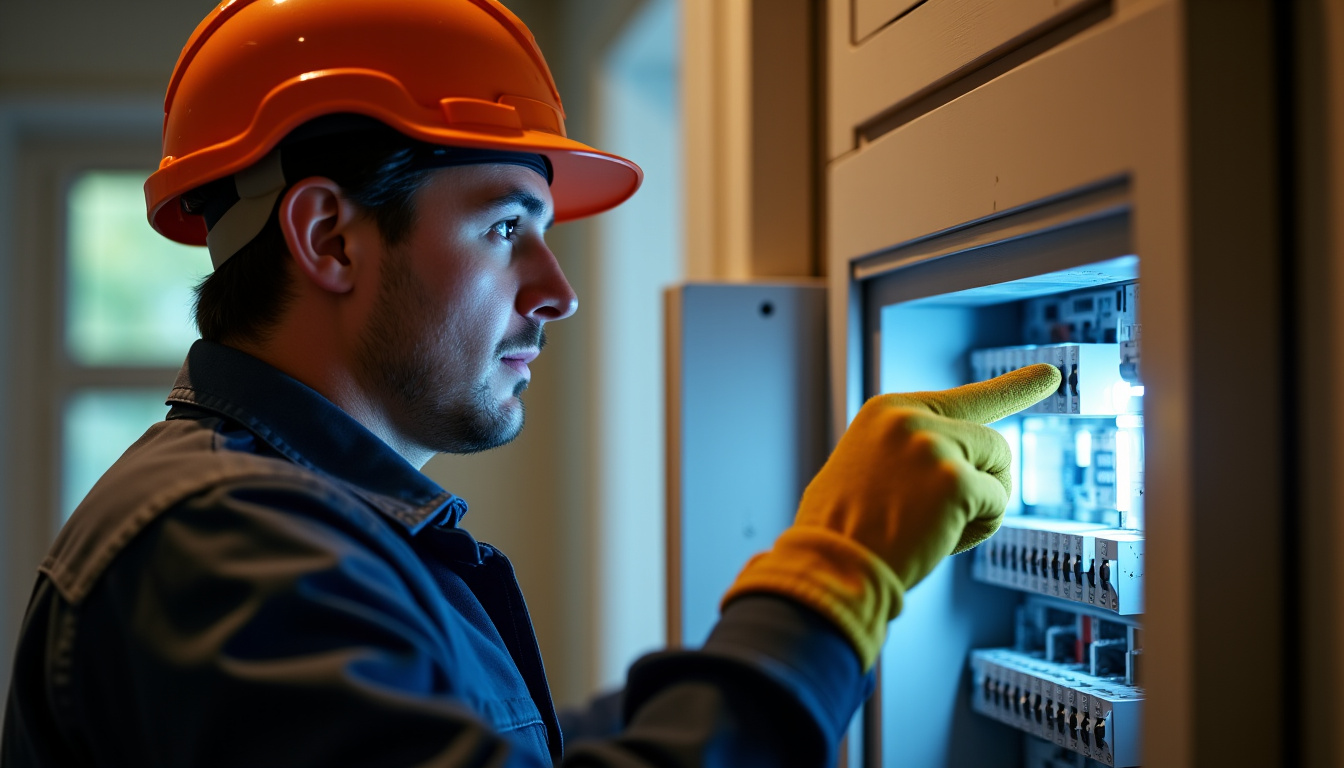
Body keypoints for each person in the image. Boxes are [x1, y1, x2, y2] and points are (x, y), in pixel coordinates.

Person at [0, 1, 1061, 766]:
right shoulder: (224, 551)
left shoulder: (301, 529)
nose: (558, 292)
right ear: (328, 235)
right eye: (507, 226)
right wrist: (839, 574)